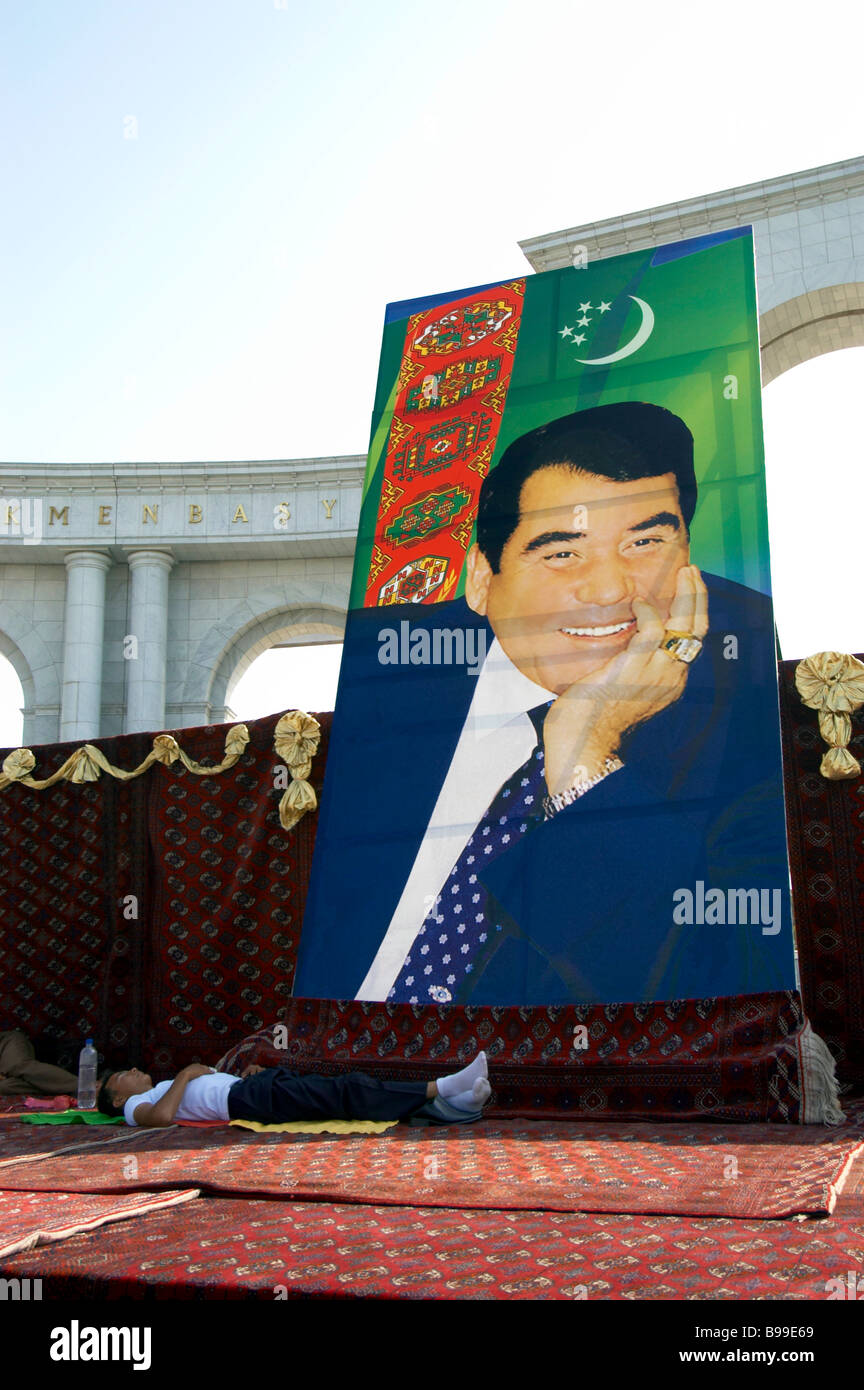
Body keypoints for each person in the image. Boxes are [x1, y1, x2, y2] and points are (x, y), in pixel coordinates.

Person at [294, 401, 792, 1007]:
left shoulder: (741, 689)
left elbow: (732, 988)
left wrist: (587, 754)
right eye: (561, 552)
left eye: (646, 542)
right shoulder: (391, 668)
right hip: (338, 1038)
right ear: (482, 579)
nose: (610, 590)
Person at [97, 1052, 491, 1127]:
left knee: (338, 1090)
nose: (133, 1070)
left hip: (249, 1089)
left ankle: (452, 1102)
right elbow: (161, 1118)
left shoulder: (161, 1087)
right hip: (246, 1101)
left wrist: (244, 1076)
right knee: (345, 1092)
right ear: (118, 1097)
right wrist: (185, 1074)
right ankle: (443, 1087)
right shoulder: (137, 1104)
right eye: (121, 1075)